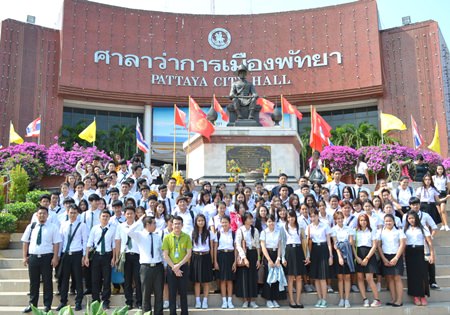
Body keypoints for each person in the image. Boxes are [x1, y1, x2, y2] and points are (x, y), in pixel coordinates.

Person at [21, 206, 61, 313]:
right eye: (40, 213)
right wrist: (24, 257)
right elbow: (25, 242)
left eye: (44, 213)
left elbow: (56, 243)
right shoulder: (31, 227)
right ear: (36, 215)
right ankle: (32, 305)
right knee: (34, 283)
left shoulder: (53, 227)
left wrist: (55, 257)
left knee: (47, 282)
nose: (42, 215)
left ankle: (47, 305)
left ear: (47, 215)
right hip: (33, 258)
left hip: (47, 257)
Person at [127, 215, 164, 315]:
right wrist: (139, 220)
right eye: (154, 223)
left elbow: (161, 252)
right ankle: (146, 313)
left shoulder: (157, 236)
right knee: (146, 293)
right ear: (147, 224)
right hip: (145, 267)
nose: (155, 225)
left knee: (159, 293)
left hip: (158, 267)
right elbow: (129, 232)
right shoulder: (140, 235)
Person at [403, 197, 440, 290]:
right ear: (410, 205)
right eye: (413, 204)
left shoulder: (425, 215)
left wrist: (430, 237)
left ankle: (432, 281)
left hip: (425, 240)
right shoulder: (405, 216)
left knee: (429, 261)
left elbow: (434, 227)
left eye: (417, 204)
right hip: (412, 241)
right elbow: (404, 229)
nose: (415, 206)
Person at [56, 204, 88, 311]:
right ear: (68, 213)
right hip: (66, 254)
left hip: (77, 254)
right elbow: (61, 241)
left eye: (74, 212)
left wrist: (84, 256)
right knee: (64, 279)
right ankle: (63, 301)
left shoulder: (82, 225)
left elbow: (85, 241)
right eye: (71, 212)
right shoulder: (63, 225)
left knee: (78, 279)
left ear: (77, 213)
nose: (72, 214)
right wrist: (59, 255)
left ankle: (78, 302)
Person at [84, 210, 117, 310]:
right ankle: (95, 300)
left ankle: (106, 300)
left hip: (107, 256)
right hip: (96, 256)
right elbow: (89, 244)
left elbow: (114, 245)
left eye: (107, 216)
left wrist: (114, 258)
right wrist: (86, 257)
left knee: (107, 280)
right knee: (95, 279)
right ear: (100, 217)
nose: (105, 218)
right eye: (103, 216)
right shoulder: (94, 229)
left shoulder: (112, 229)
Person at [162, 215, 192, 315]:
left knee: (183, 292)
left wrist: (178, 265)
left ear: (182, 225)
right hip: (171, 267)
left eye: (179, 224)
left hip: (183, 266)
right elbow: (165, 255)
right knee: (172, 293)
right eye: (175, 224)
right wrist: (174, 268)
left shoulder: (187, 237)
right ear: (171, 225)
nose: (176, 226)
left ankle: (184, 313)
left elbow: (189, 254)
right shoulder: (167, 237)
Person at [404, 210, 435, 306]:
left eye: (413, 218)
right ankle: (415, 296)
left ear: (416, 218)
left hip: (421, 252)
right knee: (412, 275)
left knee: (422, 274)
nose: (411, 220)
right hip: (409, 252)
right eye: (409, 218)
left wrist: (432, 255)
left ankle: (423, 296)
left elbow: (430, 243)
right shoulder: (405, 229)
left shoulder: (423, 228)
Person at [305, 209, 333, 308]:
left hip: (323, 249)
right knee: (316, 277)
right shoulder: (309, 227)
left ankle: (324, 299)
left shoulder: (325, 225)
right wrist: (308, 255)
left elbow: (329, 242)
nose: (313, 218)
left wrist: (330, 256)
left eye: (314, 216)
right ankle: (320, 298)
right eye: (311, 216)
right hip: (314, 250)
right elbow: (307, 243)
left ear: (318, 216)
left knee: (322, 277)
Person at [115, 206, 142, 309]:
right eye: (128, 213)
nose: (130, 215)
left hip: (137, 255)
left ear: (135, 214)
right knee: (127, 280)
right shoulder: (120, 226)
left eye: (131, 213)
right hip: (125, 255)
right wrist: (117, 257)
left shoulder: (139, 226)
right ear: (124, 214)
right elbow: (118, 241)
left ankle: (139, 301)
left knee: (138, 279)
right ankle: (129, 301)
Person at [377, 214, 406, 307]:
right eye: (386, 221)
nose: (388, 223)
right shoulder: (381, 232)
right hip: (385, 256)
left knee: (397, 278)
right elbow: (379, 246)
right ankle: (393, 299)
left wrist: (396, 258)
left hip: (396, 256)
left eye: (390, 221)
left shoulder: (399, 231)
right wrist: (384, 259)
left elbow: (402, 245)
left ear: (394, 222)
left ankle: (399, 300)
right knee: (389, 278)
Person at [353, 213, 381, 307]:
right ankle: (364, 299)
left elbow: (374, 246)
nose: (363, 222)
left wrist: (367, 258)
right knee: (360, 278)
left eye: (364, 220)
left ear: (367, 221)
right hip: (359, 254)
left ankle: (377, 299)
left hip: (369, 254)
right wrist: (357, 257)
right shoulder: (356, 231)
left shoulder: (372, 231)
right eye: (361, 220)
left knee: (369, 278)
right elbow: (352, 245)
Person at [260, 214, 287, 308]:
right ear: (266, 222)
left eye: (272, 221)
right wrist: (269, 260)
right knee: (269, 277)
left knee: (277, 278)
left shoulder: (278, 231)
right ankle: (268, 299)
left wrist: (278, 258)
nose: (271, 223)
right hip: (268, 255)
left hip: (276, 255)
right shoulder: (264, 232)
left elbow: (280, 245)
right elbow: (263, 247)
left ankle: (275, 299)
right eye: (269, 221)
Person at [235, 212, 261, 308]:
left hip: (254, 253)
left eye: (251, 218)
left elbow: (258, 245)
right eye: (249, 218)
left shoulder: (255, 230)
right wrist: (244, 258)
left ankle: (253, 300)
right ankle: (245, 300)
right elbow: (238, 245)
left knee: (253, 277)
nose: (251, 220)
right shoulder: (240, 230)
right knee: (244, 277)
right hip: (244, 254)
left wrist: (258, 259)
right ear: (244, 220)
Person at [190, 214, 215, 309]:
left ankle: (205, 301)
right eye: (199, 221)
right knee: (196, 281)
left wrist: (212, 260)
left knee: (206, 281)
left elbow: (212, 247)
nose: (201, 222)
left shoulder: (209, 233)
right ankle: (197, 301)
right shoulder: (192, 233)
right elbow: (190, 248)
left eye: (202, 221)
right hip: (196, 257)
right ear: (196, 222)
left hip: (206, 257)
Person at [331, 211, 355, 308]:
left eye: (341, 218)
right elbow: (335, 244)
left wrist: (346, 243)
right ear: (335, 220)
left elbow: (350, 242)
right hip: (338, 254)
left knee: (347, 277)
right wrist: (340, 256)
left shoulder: (349, 229)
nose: (340, 220)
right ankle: (341, 298)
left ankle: (347, 299)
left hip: (348, 254)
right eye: (338, 219)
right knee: (340, 278)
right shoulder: (333, 230)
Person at [284, 211, 306, 308]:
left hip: (298, 251)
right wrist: (282, 257)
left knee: (298, 277)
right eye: (289, 217)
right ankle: (291, 300)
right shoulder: (283, 228)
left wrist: (307, 255)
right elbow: (281, 243)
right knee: (290, 277)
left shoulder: (300, 227)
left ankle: (298, 300)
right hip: (289, 251)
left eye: (292, 217)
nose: (290, 219)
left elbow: (304, 242)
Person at [213, 216, 236, 309]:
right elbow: (215, 248)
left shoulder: (233, 233)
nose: (224, 224)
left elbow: (235, 248)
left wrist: (235, 261)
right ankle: (224, 301)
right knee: (222, 280)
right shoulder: (217, 234)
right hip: (221, 256)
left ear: (229, 223)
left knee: (230, 280)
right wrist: (215, 261)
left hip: (230, 256)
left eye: (226, 222)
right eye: (222, 222)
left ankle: (230, 301)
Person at [432, 164, 450, 230]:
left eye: (441, 169)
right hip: (436, 194)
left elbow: (448, 187)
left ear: (443, 170)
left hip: (443, 194)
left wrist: (447, 194)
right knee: (439, 211)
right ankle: (442, 224)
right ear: (436, 170)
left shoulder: (446, 177)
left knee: (443, 210)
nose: (440, 170)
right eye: (438, 169)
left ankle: (446, 225)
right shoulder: (433, 177)